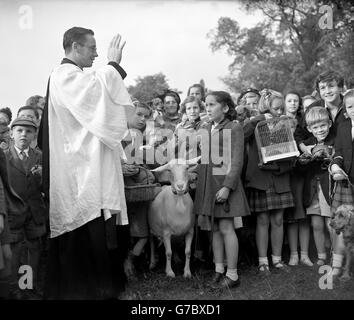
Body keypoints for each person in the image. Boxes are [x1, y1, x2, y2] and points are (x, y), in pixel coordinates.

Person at [39, 27, 133, 299]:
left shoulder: (75, 75)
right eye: (92, 48)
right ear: (76, 47)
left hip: (84, 167)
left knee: (96, 231)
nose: (96, 53)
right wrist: (114, 64)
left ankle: (100, 288)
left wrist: (110, 69)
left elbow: (96, 98)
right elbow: (95, 91)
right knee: (83, 231)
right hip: (76, 173)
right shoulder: (63, 75)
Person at [193, 91, 250, 289]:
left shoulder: (234, 128)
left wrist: (227, 187)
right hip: (208, 185)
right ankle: (219, 271)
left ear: (225, 108)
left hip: (224, 185)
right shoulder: (207, 127)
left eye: (211, 105)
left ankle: (232, 274)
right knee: (214, 229)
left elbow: (236, 161)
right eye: (206, 105)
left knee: (226, 228)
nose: (207, 109)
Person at [243, 89, 294, 274]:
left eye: (282, 109)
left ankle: (277, 259)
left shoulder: (286, 124)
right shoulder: (255, 123)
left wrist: (281, 168)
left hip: (280, 178)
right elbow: (241, 135)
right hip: (260, 180)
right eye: (276, 109)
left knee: (278, 219)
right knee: (263, 220)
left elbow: (291, 153)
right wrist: (257, 119)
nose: (280, 112)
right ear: (266, 107)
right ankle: (263, 260)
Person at [4, 117, 46, 299]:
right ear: (11, 133)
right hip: (13, 214)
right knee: (14, 252)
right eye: (19, 130)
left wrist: (43, 176)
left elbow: (48, 186)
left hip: (35, 213)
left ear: (35, 134)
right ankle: (15, 288)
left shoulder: (41, 157)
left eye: (29, 131)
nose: (24, 135)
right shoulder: (4, 156)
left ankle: (28, 285)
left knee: (33, 250)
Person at [301, 107, 343, 273]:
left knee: (330, 223)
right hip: (312, 189)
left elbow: (341, 159)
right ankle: (321, 255)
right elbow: (300, 168)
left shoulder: (336, 140)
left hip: (328, 188)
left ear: (329, 123)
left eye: (322, 125)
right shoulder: (307, 144)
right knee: (316, 224)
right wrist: (303, 160)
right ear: (310, 128)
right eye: (315, 127)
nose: (320, 130)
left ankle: (336, 256)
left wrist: (329, 155)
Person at [329, 89, 354, 276]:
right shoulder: (343, 127)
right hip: (346, 184)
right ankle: (337, 267)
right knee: (341, 225)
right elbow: (338, 152)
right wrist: (336, 167)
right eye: (350, 106)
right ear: (345, 109)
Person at [295, 70, 346, 155]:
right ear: (319, 91)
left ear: (340, 88)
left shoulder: (350, 106)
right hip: (322, 159)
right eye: (323, 88)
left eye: (331, 86)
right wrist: (303, 147)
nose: (327, 91)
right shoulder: (312, 108)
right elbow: (298, 133)